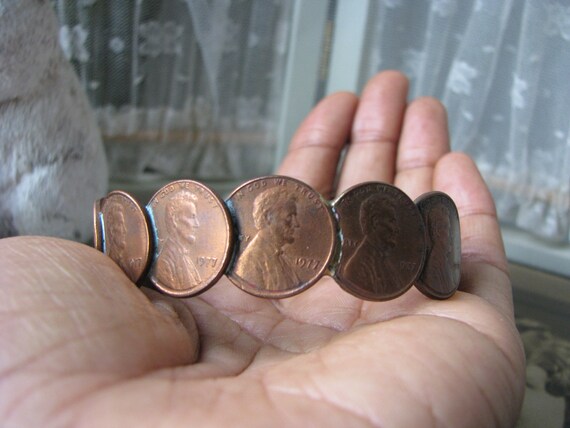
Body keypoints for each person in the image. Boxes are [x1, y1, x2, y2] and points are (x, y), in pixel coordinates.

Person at [0, 71, 525, 426]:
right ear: (271, 222)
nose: (299, 223)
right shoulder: (242, 260)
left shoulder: (369, 261)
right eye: (291, 217)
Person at [232, 187, 301, 291]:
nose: (296, 224)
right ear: (268, 218)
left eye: (295, 216)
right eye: (289, 217)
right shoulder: (251, 262)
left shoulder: (281, 257)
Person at [153, 190, 202, 290]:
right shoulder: (165, 262)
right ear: (175, 220)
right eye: (192, 217)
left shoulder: (184, 257)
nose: (197, 224)